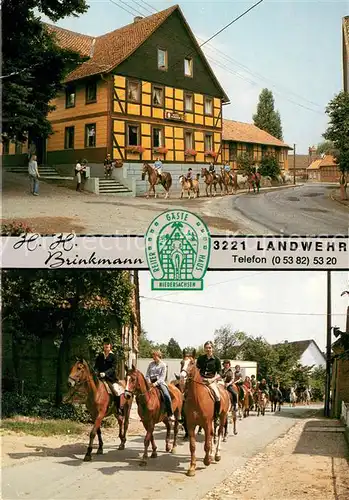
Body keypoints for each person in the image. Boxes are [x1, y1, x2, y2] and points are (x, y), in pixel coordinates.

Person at [94, 338, 125, 415]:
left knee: (116, 391)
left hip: (110, 378)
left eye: (107, 345)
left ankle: (118, 409)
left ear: (110, 346)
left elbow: (113, 368)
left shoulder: (113, 356)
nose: (106, 347)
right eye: (105, 345)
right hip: (99, 378)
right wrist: (95, 372)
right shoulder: (100, 355)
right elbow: (96, 366)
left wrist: (105, 373)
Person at [196, 341, 222, 424]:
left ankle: (216, 416)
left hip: (211, 381)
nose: (208, 349)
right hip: (200, 380)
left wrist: (213, 379)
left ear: (212, 349)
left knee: (217, 396)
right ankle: (184, 416)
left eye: (209, 348)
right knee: (186, 394)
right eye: (206, 348)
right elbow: (196, 370)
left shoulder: (217, 360)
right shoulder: (200, 358)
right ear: (204, 349)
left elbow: (220, 373)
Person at [145, 350, 175, 422]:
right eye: (153, 356)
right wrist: (148, 382)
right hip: (150, 383)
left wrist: (155, 384)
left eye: (155, 356)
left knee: (166, 395)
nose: (153, 357)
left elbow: (162, 377)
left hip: (160, 383)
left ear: (159, 356)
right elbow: (147, 375)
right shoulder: (150, 364)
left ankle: (170, 414)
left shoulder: (163, 365)